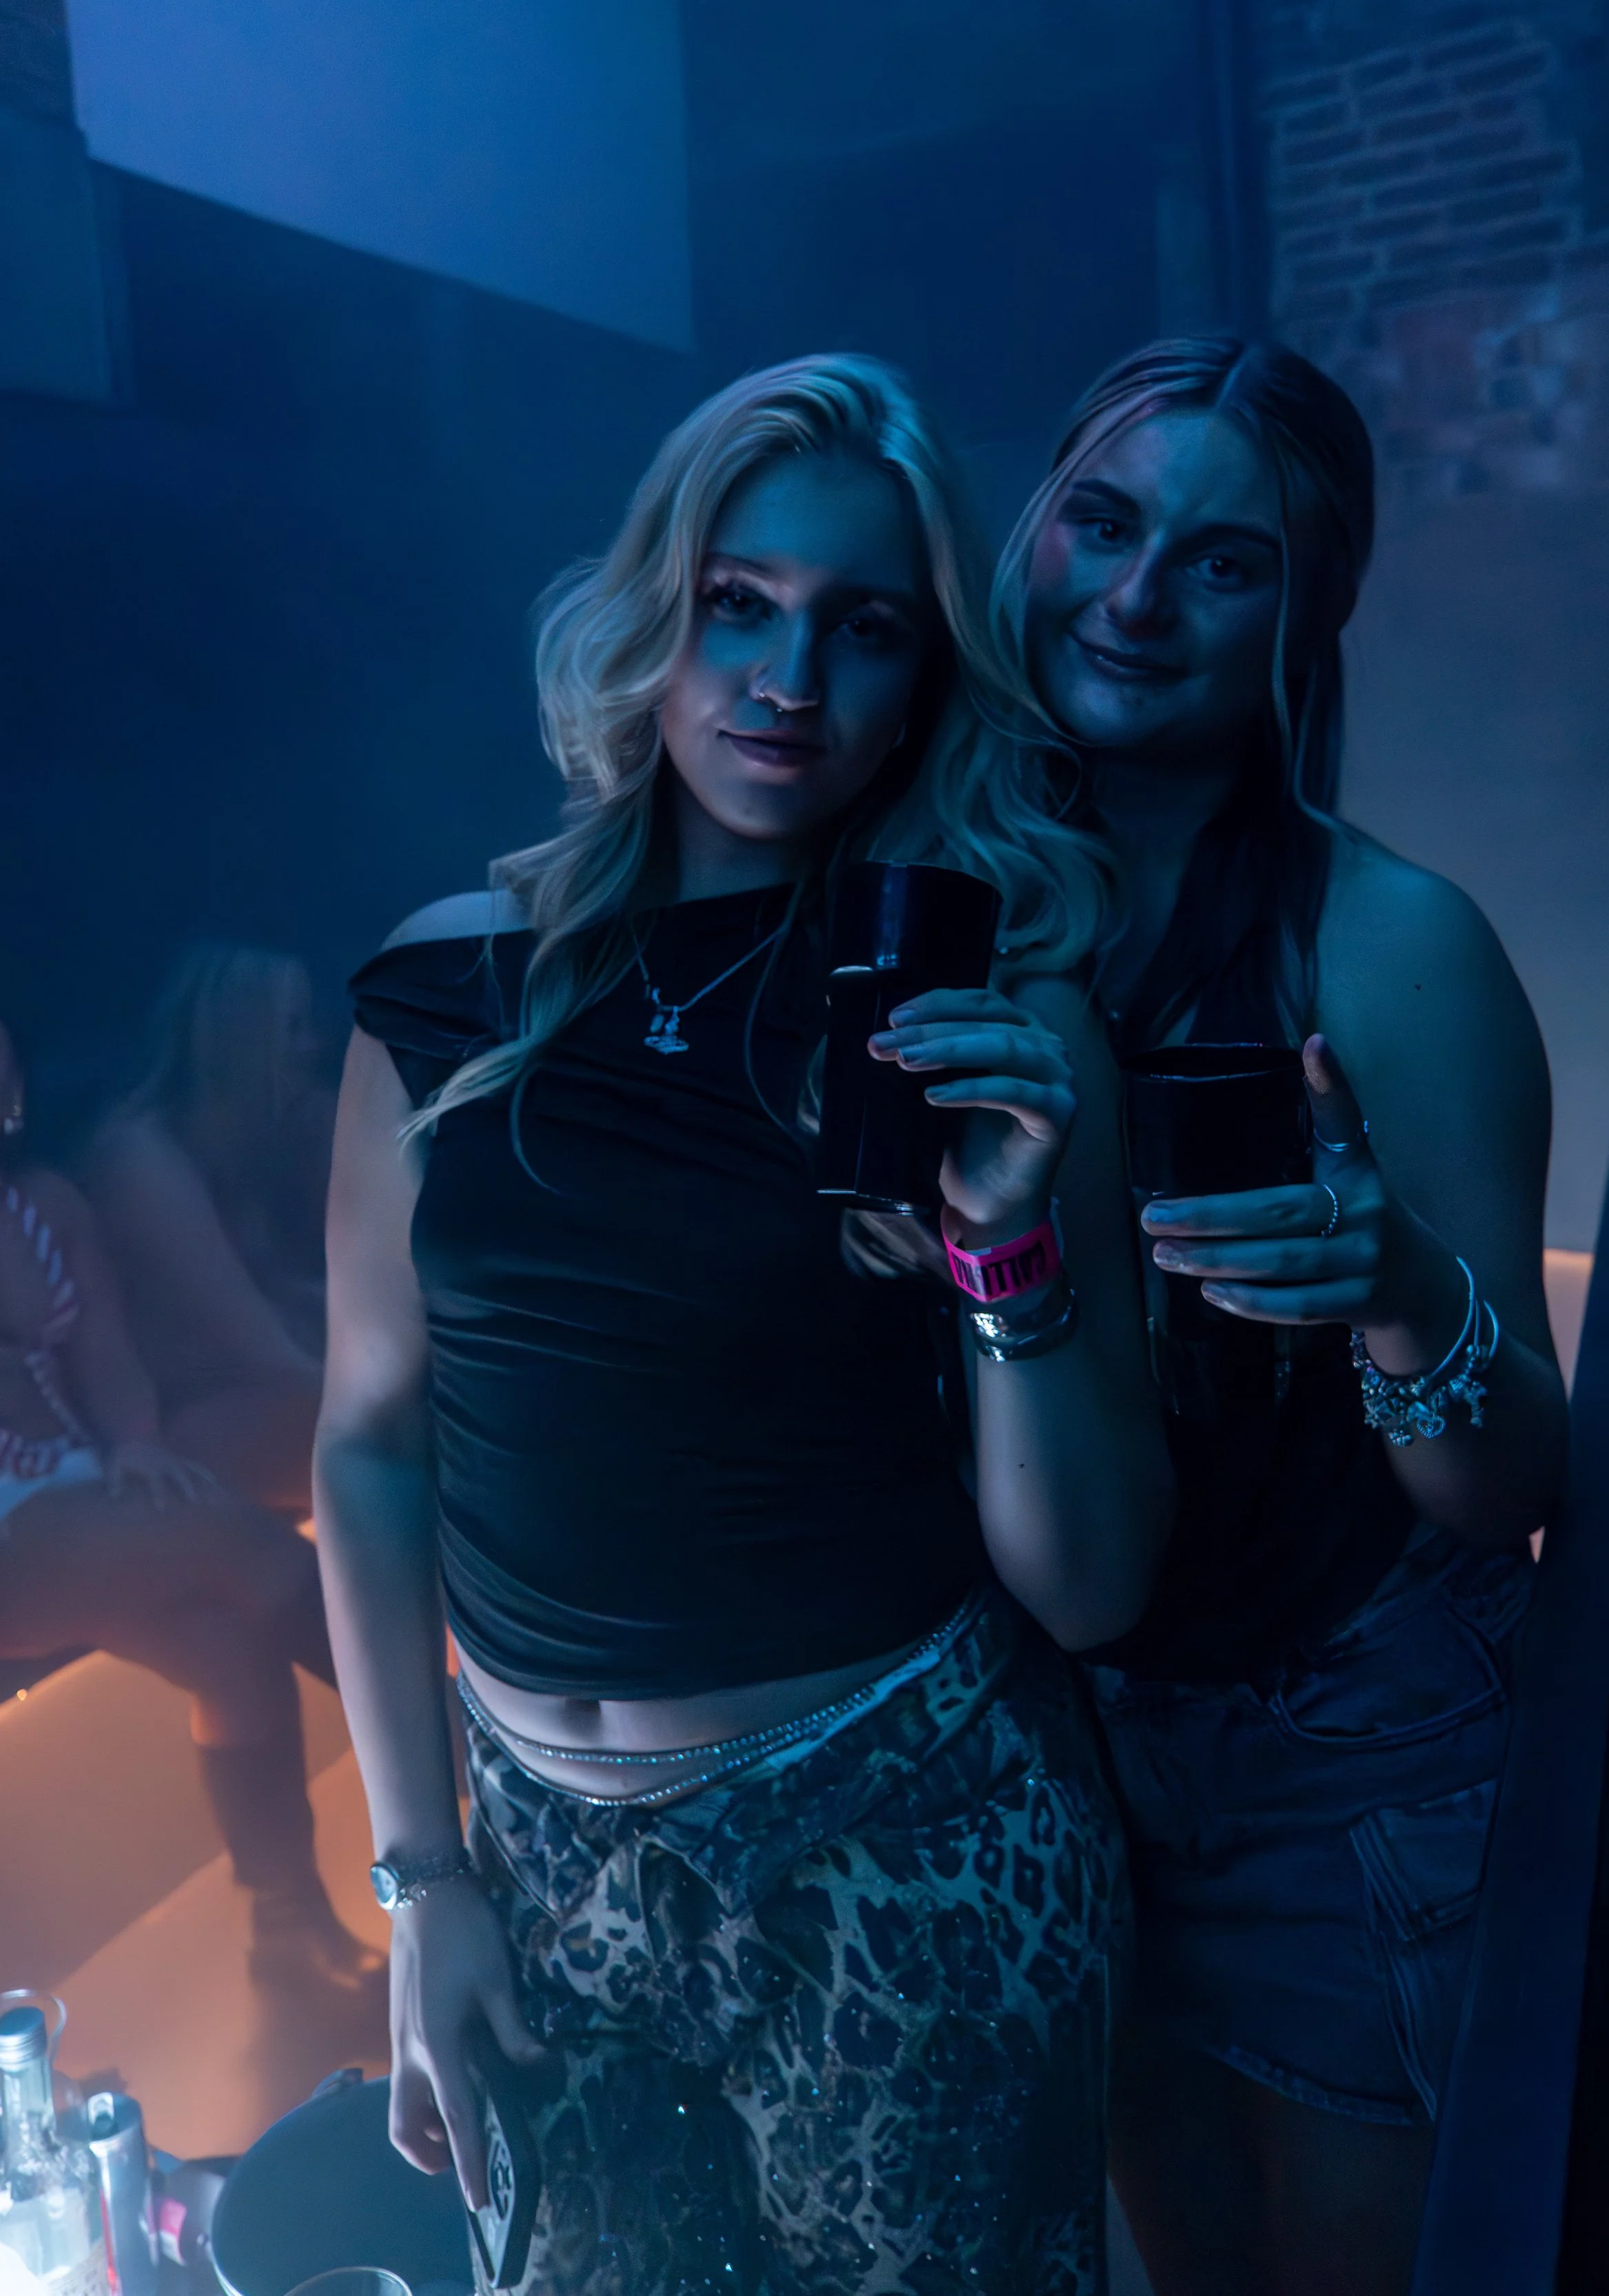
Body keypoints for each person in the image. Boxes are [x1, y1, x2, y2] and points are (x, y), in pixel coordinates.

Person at [315, 355, 1168, 2294]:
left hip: (905, 1840)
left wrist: (1005, 1250)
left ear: (921, 681)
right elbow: (369, 1438)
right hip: (531, 1873)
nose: (791, 675)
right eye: (741, 602)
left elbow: (1096, 1581)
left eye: (863, 629)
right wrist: (419, 1878)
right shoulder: (450, 986)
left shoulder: (988, 1025)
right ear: (657, 612)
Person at [992, 338, 1568, 2296]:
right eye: (1103, 521)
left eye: (1221, 563)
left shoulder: (1387, 940)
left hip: (1352, 1763)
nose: (1137, 597)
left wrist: (1397, 1289)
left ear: (1302, 616)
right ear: (1034, 528)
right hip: (1067, 1754)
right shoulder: (936, 900)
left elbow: (1504, 1481)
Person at [0, 1014, 374, 1988]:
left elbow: (110, 1357)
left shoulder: (44, 1202)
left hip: (75, 1474)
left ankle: (287, 1932)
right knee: (226, 1534)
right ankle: (471, 1771)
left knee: (226, 1646)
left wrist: (134, 1443)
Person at [84, 944, 331, 1513]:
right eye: (292, 1028)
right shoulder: (138, 1161)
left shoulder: (250, 1154)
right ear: (239, 1036)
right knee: (410, 1435)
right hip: (165, 1443)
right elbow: (263, 1353)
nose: (313, 1048)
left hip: (252, 1406)